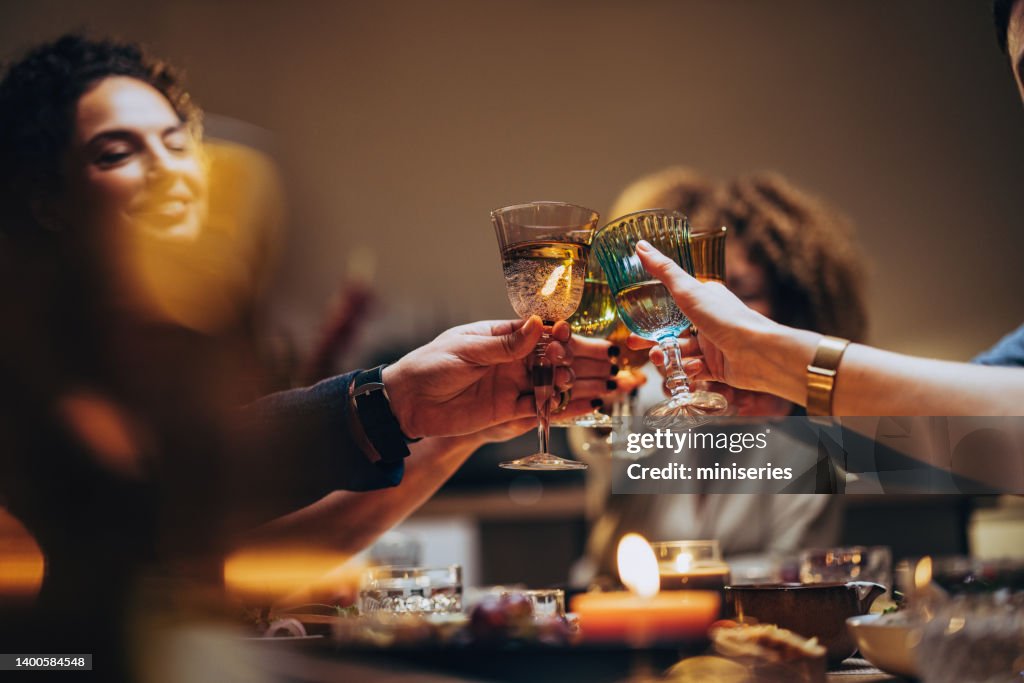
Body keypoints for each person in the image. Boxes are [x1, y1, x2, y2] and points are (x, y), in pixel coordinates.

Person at [0, 34, 640, 675]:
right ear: (45, 200)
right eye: (116, 153)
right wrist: (392, 401)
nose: (171, 170)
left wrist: (460, 428)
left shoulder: (173, 367)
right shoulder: (29, 383)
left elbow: (221, 565)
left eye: (177, 143)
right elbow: (51, 643)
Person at [580, 168, 867, 579]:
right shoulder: (650, 391)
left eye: (743, 292)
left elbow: (797, 571)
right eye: (700, 290)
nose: (718, 310)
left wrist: (685, 579)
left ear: (791, 308)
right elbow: (602, 450)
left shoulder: (810, 435)